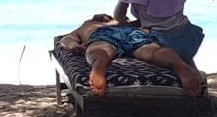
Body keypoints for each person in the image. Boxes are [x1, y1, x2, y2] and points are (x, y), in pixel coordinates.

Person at [58, 15, 203, 98]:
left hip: (105, 36)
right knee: (152, 51)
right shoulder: (122, 22)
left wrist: (74, 46)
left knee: (100, 50)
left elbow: (66, 39)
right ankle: (177, 63)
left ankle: (98, 64)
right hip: (133, 33)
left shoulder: (89, 25)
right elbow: (148, 24)